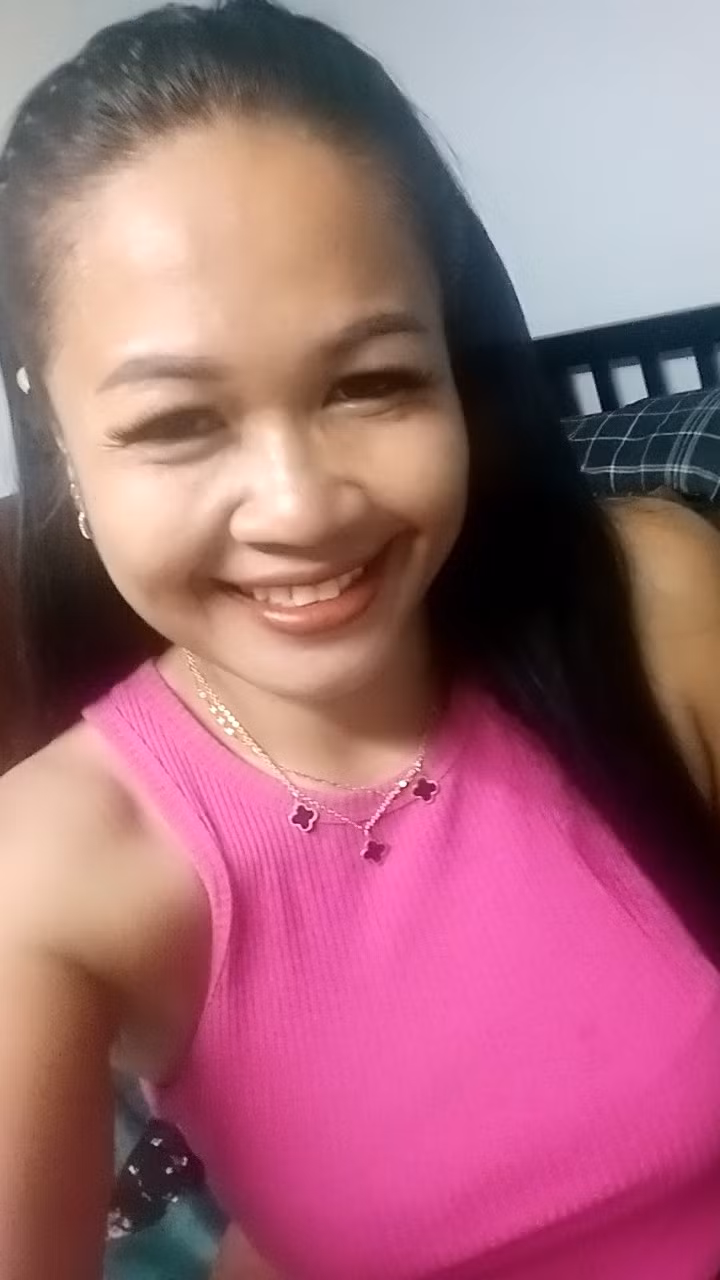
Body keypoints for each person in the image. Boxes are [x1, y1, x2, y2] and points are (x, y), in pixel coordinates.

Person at [0, 2, 719, 1277]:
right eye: (177, 423)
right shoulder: (49, 872)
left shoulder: (654, 598)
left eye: (371, 382)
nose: (300, 508)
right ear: (59, 440)